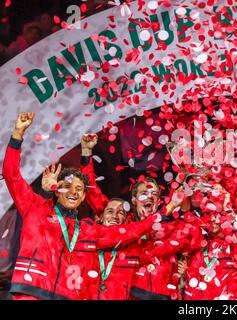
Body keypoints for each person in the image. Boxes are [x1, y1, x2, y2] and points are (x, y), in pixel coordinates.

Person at [2, 112, 159, 300]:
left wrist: (160, 214)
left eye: (79, 189)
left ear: (84, 196)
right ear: (56, 189)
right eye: (67, 186)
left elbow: (127, 232)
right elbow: (11, 175)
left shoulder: (88, 231)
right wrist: (17, 135)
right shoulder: (36, 208)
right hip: (31, 292)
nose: (73, 192)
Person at [79, 133, 202, 300]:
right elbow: (92, 192)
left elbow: (196, 237)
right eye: (144, 193)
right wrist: (86, 154)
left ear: (159, 202)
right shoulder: (122, 222)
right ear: (134, 200)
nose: (149, 197)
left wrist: (193, 190)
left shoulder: (172, 227)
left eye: (154, 194)